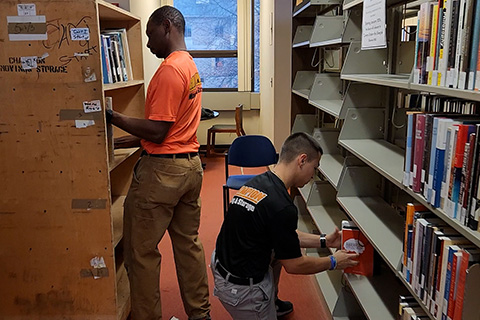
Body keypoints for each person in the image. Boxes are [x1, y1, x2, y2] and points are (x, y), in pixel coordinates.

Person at [106, 6, 210, 320]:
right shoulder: (189, 65)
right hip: (189, 167)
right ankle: (200, 314)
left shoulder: (168, 70)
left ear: (166, 27)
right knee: (188, 246)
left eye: (150, 35)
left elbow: (158, 130)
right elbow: (170, 130)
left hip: (162, 175)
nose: (149, 44)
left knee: (141, 253)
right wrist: (117, 142)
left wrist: (113, 116)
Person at [212, 132, 359, 319]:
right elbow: (295, 265)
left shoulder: (260, 181)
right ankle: (262, 304)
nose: (313, 176)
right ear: (302, 160)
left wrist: (325, 241)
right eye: (314, 168)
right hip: (240, 290)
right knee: (282, 257)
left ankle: (270, 300)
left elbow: (285, 235)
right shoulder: (281, 206)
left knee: (277, 250)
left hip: (223, 263)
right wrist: (333, 262)